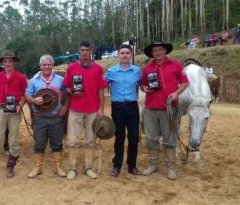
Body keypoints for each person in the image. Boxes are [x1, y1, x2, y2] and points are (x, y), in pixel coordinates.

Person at [140, 41, 189, 180]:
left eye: (160, 50)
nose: (158, 52)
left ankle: (171, 167)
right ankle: (153, 165)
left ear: (165, 51)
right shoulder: (147, 68)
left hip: (169, 108)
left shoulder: (176, 65)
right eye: (155, 50)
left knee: (169, 138)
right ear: (152, 53)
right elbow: (142, 85)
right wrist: (145, 89)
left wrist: (176, 93)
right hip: (151, 108)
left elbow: (185, 82)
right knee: (151, 138)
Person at [63, 40, 108, 180]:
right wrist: (72, 92)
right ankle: (72, 167)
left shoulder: (98, 69)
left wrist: (101, 108)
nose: (85, 52)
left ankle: (88, 167)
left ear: (91, 51)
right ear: (79, 51)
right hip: (76, 108)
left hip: (93, 109)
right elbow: (67, 86)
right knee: (73, 140)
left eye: (87, 50)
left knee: (90, 140)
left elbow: (101, 90)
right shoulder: (71, 68)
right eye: (82, 50)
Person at [0, 50, 27, 180]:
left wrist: (20, 105)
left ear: (14, 62)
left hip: (14, 111)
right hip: (1, 110)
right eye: (5, 61)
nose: (7, 63)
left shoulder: (21, 78)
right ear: (2, 63)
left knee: (13, 140)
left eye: (9, 61)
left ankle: (10, 167)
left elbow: (24, 95)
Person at [25, 54, 68, 178]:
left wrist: (65, 107)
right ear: (40, 66)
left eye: (49, 64)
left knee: (57, 143)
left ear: (52, 65)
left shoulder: (60, 80)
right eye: (44, 65)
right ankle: (38, 167)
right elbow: (27, 95)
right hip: (40, 117)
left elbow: (67, 95)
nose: (46, 67)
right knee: (39, 143)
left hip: (56, 117)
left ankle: (58, 167)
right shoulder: (33, 81)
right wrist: (33, 100)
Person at [105, 45, 142, 177]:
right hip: (118, 108)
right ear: (118, 55)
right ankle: (117, 165)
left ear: (131, 55)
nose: (125, 55)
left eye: (127, 53)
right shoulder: (111, 72)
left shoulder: (137, 71)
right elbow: (101, 85)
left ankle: (132, 165)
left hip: (132, 107)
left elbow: (143, 85)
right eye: (122, 53)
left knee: (133, 138)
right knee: (119, 138)